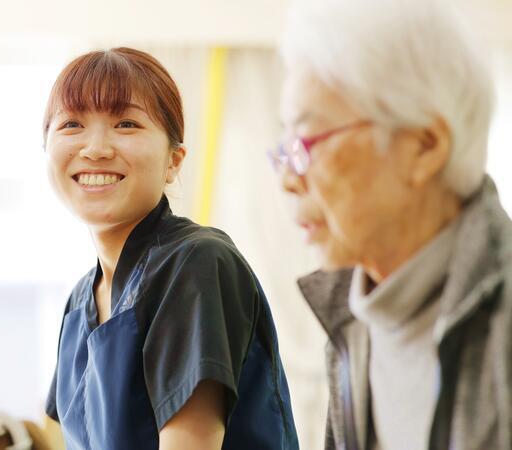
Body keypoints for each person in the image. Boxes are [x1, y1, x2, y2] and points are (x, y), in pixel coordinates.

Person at [271, 0, 512, 449]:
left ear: (424, 146)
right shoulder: (352, 322)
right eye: (285, 148)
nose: (288, 178)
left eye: (308, 141)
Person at [43, 47, 299, 450]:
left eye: (126, 123)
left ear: (174, 161)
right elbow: (58, 439)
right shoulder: (80, 300)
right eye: (72, 124)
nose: (95, 148)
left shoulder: (196, 262)